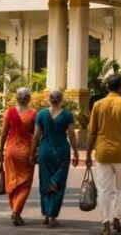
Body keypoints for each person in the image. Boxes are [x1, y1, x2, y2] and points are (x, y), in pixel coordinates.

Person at [86, 74, 121, 235]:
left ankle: (105, 223)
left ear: (107, 88)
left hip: (102, 153)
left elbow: (91, 132)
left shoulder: (97, 105)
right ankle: (117, 218)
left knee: (104, 189)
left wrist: (88, 153)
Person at [29, 89, 79, 228]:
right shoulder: (67, 115)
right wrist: (75, 151)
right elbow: (72, 135)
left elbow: (36, 136)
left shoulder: (41, 114)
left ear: (49, 99)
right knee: (58, 183)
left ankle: (46, 213)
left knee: (45, 182)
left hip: (45, 152)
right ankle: (52, 216)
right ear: (61, 99)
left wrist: (32, 153)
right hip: (61, 153)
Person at [0, 87, 37, 226]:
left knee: (12, 182)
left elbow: (3, 134)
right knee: (25, 183)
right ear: (28, 98)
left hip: (10, 151)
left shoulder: (9, 112)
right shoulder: (33, 113)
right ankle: (16, 211)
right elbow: (36, 135)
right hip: (25, 152)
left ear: (16, 98)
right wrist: (34, 152)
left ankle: (15, 211)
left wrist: (0, 152)